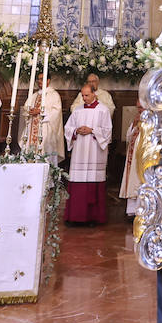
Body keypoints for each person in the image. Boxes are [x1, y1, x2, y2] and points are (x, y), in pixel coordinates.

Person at [64, 83, 112, 225]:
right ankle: (75, 217)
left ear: (94, 94)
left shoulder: (103, 110)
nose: (84, 98)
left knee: (93, 182)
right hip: (79, 151)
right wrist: (75, 131)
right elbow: (68, 128)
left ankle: (93, 218)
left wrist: (92, 130)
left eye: (87, 95)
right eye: (82, 95)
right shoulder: (77, 110)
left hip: (94, 152)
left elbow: (107, 131)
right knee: (77, 183)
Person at [21, 78, 63, 161]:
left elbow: (56, 112)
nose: (39, 81)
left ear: (48, 80)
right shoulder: (33, 95)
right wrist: (29, 111)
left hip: (46, 129)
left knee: (45, 154)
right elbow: (26, 109)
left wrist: (41, 112)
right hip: (31, 128)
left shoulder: (53, 95)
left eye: (42, 79)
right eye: (38, 79)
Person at [118, 101, 147, 218]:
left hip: (144, 159)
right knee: (132, 181)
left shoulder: (153, 120)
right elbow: (129, 137)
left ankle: (143, 210)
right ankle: (132, 211)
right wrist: (134, 125)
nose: (139, 110)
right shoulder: (137, 119)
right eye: (138, 107)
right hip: (134, 158)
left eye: (141, 108)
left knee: (141, 182)